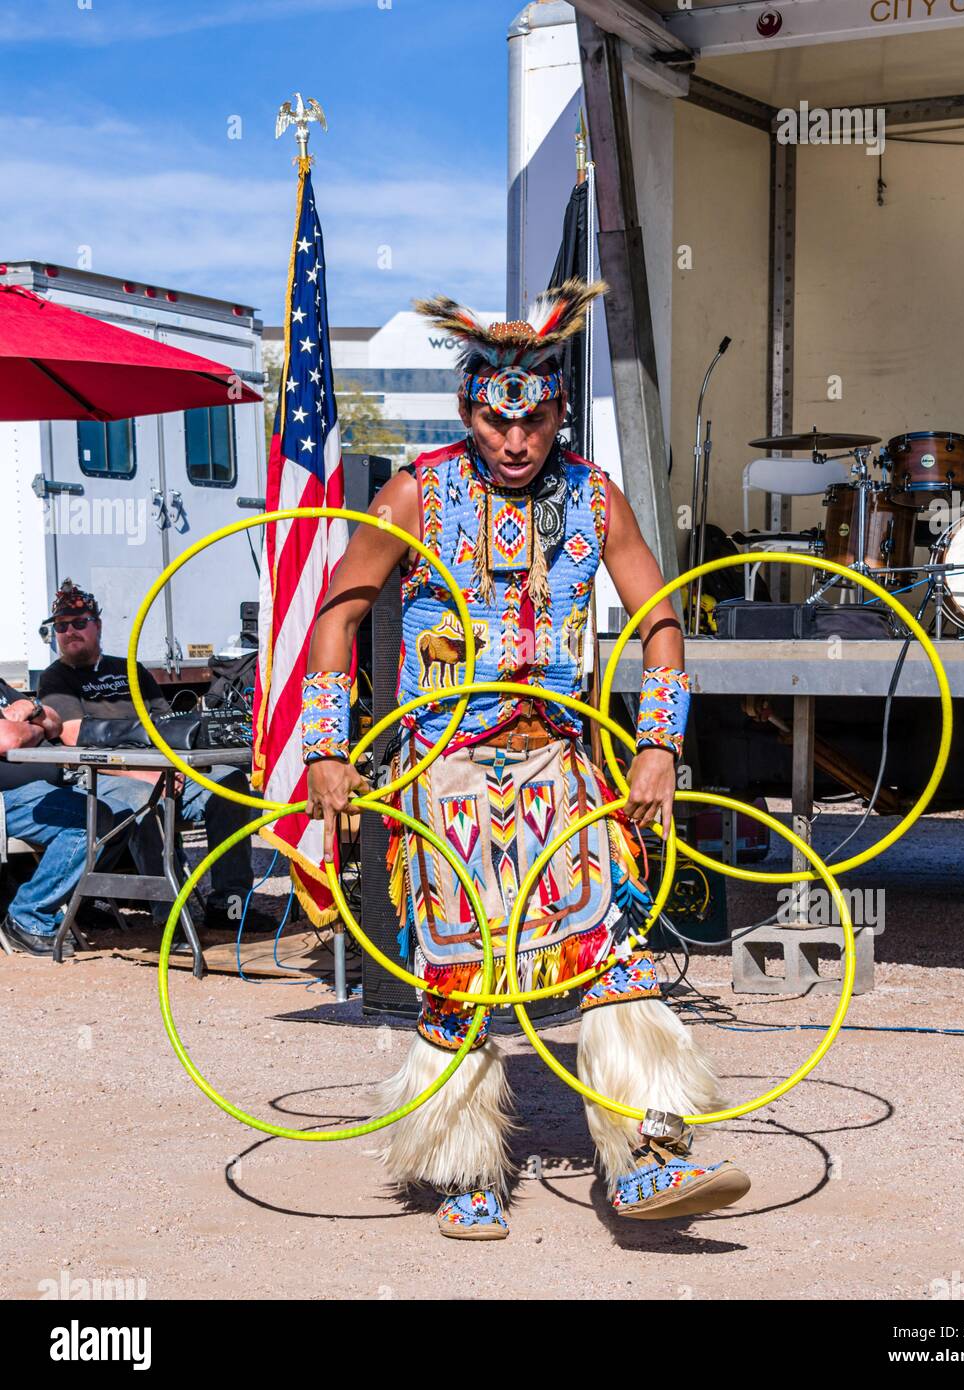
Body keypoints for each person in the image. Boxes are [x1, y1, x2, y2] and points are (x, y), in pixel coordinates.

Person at [302, 279, 751, 1239]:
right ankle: (465, 1167)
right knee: (462, 969)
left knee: (614, 956)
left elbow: (661, 627)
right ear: (469, 409)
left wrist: (660, 746)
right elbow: (340, 612)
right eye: (497, 420)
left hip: (561, 768)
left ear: (554, 413)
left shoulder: (595, 497)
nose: (515, 440)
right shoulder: (417, 493)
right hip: (445, 775)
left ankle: (646, 1158)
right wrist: (329, 750)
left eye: (535, 420)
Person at [35, 581, 272, 933]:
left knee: (227, 780)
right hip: (99, 776)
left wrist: (175, 766)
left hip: (160, 767)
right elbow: (72, 739)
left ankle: (230, 903)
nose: (69, 631)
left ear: (97, 625)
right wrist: (141, 773)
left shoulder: (129, 669)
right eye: (61, 626)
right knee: (145, 799)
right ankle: (170, 915)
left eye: (79, 622)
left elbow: (167, 726)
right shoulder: (56, 678)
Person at [0, 677, 113, 958]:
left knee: (123, 810)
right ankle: (28, 916)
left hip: (51, 788)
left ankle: (79, 906)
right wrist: (35, 731)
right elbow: (8, 740)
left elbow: (55, 723)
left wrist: (31, 708)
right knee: (92, 819)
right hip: (6, 800)